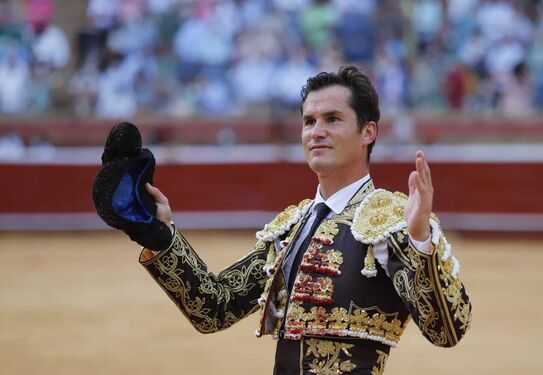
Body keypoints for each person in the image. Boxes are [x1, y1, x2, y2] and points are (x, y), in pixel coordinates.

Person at [136, 65, 471, 374]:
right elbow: (214, 308)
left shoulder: (391, 221)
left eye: (332, 119)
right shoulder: (292, 227)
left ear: (368, 132)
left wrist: (420, 241)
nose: (316, 132)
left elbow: (446, 331)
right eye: (309, 121)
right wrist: (161, 237)